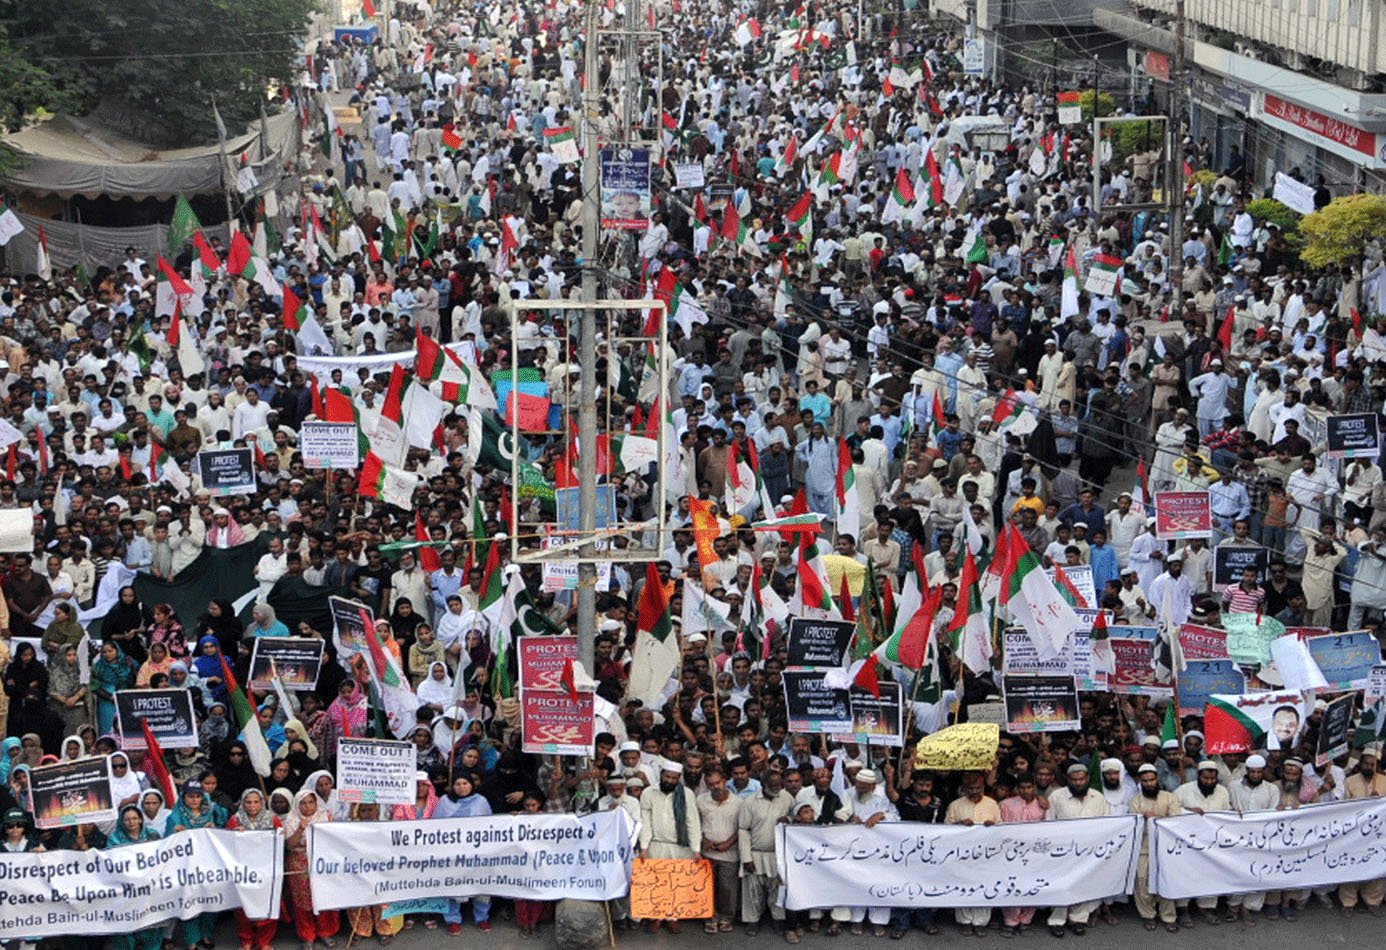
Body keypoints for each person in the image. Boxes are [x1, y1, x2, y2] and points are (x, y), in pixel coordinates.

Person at [1045, 763, 1109, 935]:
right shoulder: (1056, 796)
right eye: (1074, 780)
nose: (1078, 783)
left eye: (1081, 779)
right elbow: (1049, 823)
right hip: (1063, 851)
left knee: (1083, 884)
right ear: (1068, 780)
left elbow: (1108, 823)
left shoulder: (1098, 797)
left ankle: (1078, 918)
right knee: (1062, 885)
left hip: (1089, 851)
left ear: (1087, 778)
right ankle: (1057, 920)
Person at [639, 760, 702, 934]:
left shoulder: (687, 794)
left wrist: (696, 849)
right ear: (661, 774)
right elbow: (645, 822)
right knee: (657, 884)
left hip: (681, 847)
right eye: (667, 776)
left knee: (678, 884)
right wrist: (644, 846)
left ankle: (673, 918)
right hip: (656, 845)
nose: (670, 781)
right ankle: (656, 917)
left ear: (679, 778)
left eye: (674, 778)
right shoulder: (648, 793)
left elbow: (692, 821)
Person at [432, 772, 492, 932]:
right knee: (452, 886)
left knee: (481, 887)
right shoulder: (445, 801)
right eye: (458, 784)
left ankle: (482, 918)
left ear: (472, 784)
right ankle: (452, 920)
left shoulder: (481, 801)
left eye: (465, 783)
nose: (461, 787)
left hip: (476, 853)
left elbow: (492, 827)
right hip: (451, 853)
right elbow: (434, 826)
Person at [283, 788, 341, 949]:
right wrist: (301, 829)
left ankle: (326, 932)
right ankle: (307, 935)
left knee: (324, 896)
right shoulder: (292, 819)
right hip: (299, 863)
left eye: (311, 802)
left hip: (322, 861)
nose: (307, 807)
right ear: (297, 805)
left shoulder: (326, 817)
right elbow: (289, 845)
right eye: (303, 803)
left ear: (316, 803)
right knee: (303, 901)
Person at [1129, 764, 1183, 931]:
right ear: (1140, 782)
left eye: (1152, 780)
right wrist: (1144, 818)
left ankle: (1168, 916)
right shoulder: (1135, 801)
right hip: (1144, 848)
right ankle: (1148, 915)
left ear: (1157, 779)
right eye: (1145, 781)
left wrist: (1154, 818)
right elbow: (1135, 826)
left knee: (1166, 882)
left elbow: (1175, 821)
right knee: (1142, 882)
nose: (1149, 784)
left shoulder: (1169, 797)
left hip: (1165, 848)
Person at [226, 788, 280, 950]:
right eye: (248, 802)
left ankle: (264, 941)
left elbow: (280, 842)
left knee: (267, 905)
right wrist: (234, 835)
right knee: (244, 907)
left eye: (256, 801)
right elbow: (226, 845)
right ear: (243, 803)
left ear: (262, 802)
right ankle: (246, 940)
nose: (252, 806)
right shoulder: (235, 820)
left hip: (266, 870)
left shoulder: (273, 820)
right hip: (244, 871)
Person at [106, 805, 165, 950]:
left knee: (152, 924)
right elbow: (110, 862)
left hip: (149, 888)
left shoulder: (153, 835)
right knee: (125, 927)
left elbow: (163, 858)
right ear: (122, 821)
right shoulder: (114, 838)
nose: (131, 822)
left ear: (140, 819)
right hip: (126, 890)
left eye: (134, 818)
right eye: (127, 819)